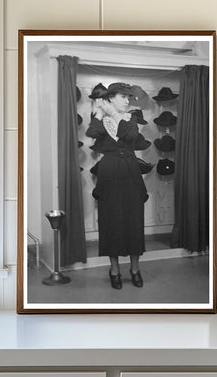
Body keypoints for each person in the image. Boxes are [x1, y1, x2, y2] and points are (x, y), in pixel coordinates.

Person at [86, 82, 148, 290]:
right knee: (110, 221)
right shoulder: (101, 119)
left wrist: (113, 113)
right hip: (110, 172)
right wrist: (98, 113)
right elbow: (92, 134)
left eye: (128, 97)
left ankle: (135, 269)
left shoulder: (133, 117)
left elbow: (129, 136)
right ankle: (114, 269)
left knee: (134, 221)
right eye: (123, 96)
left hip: (130, 171)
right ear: (110, 97)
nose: (127, 100)